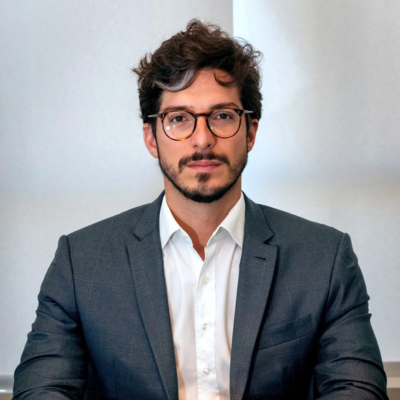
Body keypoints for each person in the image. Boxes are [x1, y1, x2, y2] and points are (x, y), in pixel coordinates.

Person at [13, 19, 387, 400]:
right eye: (179, 119)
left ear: (251, 132)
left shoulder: (324, 258)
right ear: (151, 138)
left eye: (222, 116)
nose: (203, 139)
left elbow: (357, 389)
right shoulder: (82, 263)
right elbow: (42, 389)